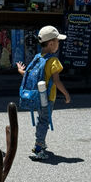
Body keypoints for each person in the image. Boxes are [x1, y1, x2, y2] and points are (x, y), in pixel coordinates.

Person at [16, 25, 71, 161]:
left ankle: (41, 141)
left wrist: (20, 71)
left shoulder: (37, 57)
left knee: (41, 119)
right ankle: (38, 147)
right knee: (44, 121)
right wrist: (66, 94)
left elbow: (29, 74)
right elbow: (57, 81)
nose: (58, 44)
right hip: (48, 98)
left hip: (36, 96)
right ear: (51, 43)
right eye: (58, 41)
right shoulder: (53, 61)